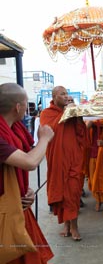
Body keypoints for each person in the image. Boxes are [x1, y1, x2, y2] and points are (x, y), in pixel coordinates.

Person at [0, 82, 54, 264]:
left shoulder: (12, 129)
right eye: (26, 103)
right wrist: (44, 139)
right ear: (18, 107)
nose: (26, 108)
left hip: (17, 203)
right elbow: (30, 162)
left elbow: (19, 163)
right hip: (5, 210)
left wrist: (24, 190)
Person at [40, 86, 87, 241]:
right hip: (58, 160)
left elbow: (81, 133)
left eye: (67, 93)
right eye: (62, 94)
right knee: (61, 194)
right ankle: (66, 225)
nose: (66, 96)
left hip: (74, 159)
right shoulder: (47, 114)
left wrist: (77, 116)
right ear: (54, 97)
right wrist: (67, 114)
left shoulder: (72, 112)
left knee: (73, 194)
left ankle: (74, 226)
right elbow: (49, 130)